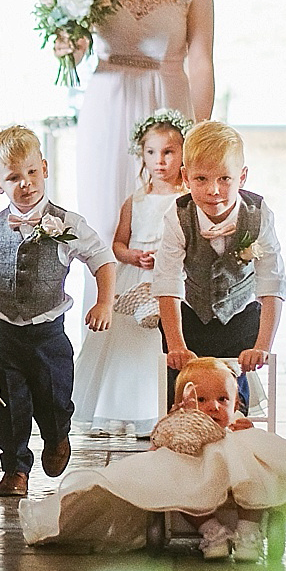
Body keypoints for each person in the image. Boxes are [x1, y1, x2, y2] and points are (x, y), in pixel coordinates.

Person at [20, 356, 286, 560]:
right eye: (202, 400)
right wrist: (162, 444)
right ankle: (212, 531)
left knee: (257, 474)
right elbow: (161, 441)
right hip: (193, 470)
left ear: (236, 404)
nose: (213, 408)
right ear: (186, 403)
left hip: (238, 473)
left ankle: (249, 531)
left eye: (223, 400)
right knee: (176, 483)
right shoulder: (178, 423)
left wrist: (244, 429)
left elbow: (251, 438)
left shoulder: (238, 425)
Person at [0, 126, 116, 498]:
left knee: (54, 398)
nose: (25, 184)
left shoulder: (66, 222)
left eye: (31, 173)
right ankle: (15, 468)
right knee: (7, 404)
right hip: (2, 333)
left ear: (44, 168)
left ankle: (57, 436)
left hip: (47, 334)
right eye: (13, 178)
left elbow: (102, 259)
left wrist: (103, 301)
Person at [68, 0, 215, 247]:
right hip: (107, 104)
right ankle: (103, 305)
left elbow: (200, 62)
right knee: (104, 215)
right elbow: (78, 42)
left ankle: (159, 306)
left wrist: (199, 134)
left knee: (162, 220)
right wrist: (67, 47)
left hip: (166, 104)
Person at [72, 108, 192, 438]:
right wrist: (133, 256)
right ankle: (122, 408)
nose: (160, 161)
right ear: (141, 155)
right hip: (135, 280)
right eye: (151, 152)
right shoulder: (136, 200)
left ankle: (158, 409)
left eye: (169, 152)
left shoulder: (187, 199)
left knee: (159, 343)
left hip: (170, 281)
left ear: (183, 153)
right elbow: (118, 244)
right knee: (128, 344)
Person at [152, 121, 286, 410]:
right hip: (190, 317)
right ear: (186, 177)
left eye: (225, 179)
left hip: (240, 317)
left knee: (231, 402)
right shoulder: (178, 217)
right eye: (201, 179)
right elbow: (167, 281)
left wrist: (262, 345)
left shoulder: (258, 214)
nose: (213, 190)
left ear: (243, 176)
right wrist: (176, 343)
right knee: (184, 399)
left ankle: (235, 440)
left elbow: (271, 281)